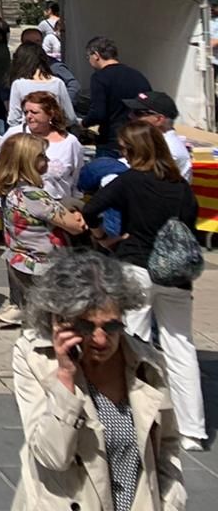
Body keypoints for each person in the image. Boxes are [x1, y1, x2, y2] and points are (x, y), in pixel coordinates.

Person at [11, 250, 184, 510]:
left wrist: (172, 502)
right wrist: (65, 379)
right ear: (61, 319)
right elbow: (52, 456)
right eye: (87, 326)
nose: (101, 339)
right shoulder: (34, 358)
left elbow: (167, 447)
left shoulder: (148, 364)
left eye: (112, 326)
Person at [83, 121, 205, 451]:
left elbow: (90, 208)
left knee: (134, 343)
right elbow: (190, 225)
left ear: (133, 151)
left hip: (136, 266)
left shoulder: (130, 181)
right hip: (174, 273)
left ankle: (136, 416)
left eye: (124, 149)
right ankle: (193, 429)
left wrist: (103, 238)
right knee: (181, 348)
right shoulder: (180, 185)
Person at [0, 131, 86, 330]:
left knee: (35, 316)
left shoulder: (11, 190)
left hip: (22, 262)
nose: (48, 159)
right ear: (28, 161)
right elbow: (76, 227)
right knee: (53, 323)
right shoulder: (34, 196)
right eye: (42, 156)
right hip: (45, 267)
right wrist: (77, 214)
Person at [84, 37, 151, 159]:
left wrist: (84, 123)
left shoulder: (99, 77)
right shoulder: (137, 75)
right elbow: (149, 105)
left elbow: (98, 113)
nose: (89, 61)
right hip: (137, 138)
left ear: (96, 55)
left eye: (88, 57)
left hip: (111, 140)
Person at [15, 91, 85, 202]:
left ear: (50, 114)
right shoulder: (15, 135)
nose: (29, 116)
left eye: (34, 112)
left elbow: (77, 179)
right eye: (26, 112)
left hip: (60, 206)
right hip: (20, 206)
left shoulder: (71, 143)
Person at [124, 91, 193, 181]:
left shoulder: (168, 151)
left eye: (138, 113)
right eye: (131, 111)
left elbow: (141, 181)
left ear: (159, 119)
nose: (130, 116)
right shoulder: (153, 142)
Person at [6, 43, 77, 130]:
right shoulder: (58, 83)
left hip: (28, 136)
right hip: (53, 134)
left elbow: (14, 119)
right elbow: (70, 117)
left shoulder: (18, 84)